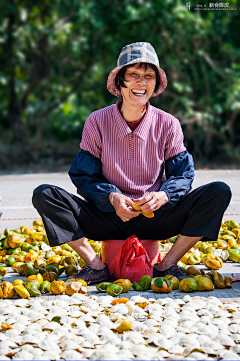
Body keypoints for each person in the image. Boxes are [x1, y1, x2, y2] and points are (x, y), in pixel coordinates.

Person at [32, 42, 231, 284]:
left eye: (148, 76)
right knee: (45, 194)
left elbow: (183, 176)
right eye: (133, 75)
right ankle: (95, 266)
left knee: (218, 191)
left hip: (156, 218)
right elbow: (84, 177)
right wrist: (112, 198)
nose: (141, 82)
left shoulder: (168, 123)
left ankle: (167, 265)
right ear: (120, 83)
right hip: (108, 217)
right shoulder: (97, 121)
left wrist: (162, 197)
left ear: (156, 84)